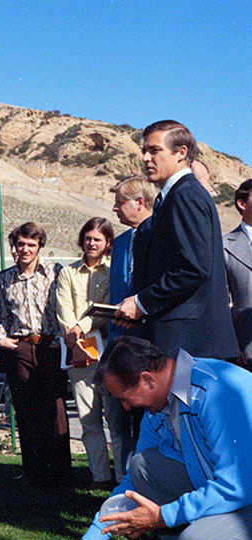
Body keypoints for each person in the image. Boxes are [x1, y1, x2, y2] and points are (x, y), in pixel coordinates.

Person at [53, 336, 252, 540]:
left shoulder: (216, 391)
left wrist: (164, 516)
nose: (126, 406)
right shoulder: (161, 402)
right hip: (237, 489)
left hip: (243, 489)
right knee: (143, 465)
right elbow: (133, 483)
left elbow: (236, 485)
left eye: (126, 397)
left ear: (147, 380)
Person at [114, 120, 238, 359]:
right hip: (178, 340)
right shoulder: (173, 197)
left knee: (182, 396)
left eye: (154, 150)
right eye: (144, 151)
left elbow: (193, 268)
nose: (146, 158)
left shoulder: (185, 195)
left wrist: (141, 303)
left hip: (188, 345)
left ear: (181, 153)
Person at [0, 222, 71, 488]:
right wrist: (0, 338)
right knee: (26, 411)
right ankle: (33, 471)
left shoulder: (55, 272)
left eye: (31, 244)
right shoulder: (4, 278)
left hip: (50, 346)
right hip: (19, 348)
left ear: (40, 246)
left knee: (55, 408)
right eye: (21, 244)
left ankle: (61, 471)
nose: (25, 249)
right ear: (14, 246)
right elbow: (1, 316)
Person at [56, 217, 114, 489]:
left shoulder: (115, 271)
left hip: (110, 353)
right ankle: (100, 476)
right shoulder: (68, 273)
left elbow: (108, 309)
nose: (92, 243)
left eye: (97, 239)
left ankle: (125, 477)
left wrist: (82, 326)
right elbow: (64, 310)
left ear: (107, 243)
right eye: (88, 238)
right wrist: (74, 337)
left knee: (116, 419)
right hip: (80, 354)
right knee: (89, 419)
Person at [106, 176, 157, 481]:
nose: (114, 208)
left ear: (139, 202)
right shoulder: (123, 241)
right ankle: (128, 481)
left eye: (119, 202)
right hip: (123, 343)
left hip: (151, 343)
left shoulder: (159, 234)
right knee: (127, 419)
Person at [223, 178, 252, 369]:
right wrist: (232, 345)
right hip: (246, 351)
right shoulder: (224, 245)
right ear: (242, 203)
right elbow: (220, 302)